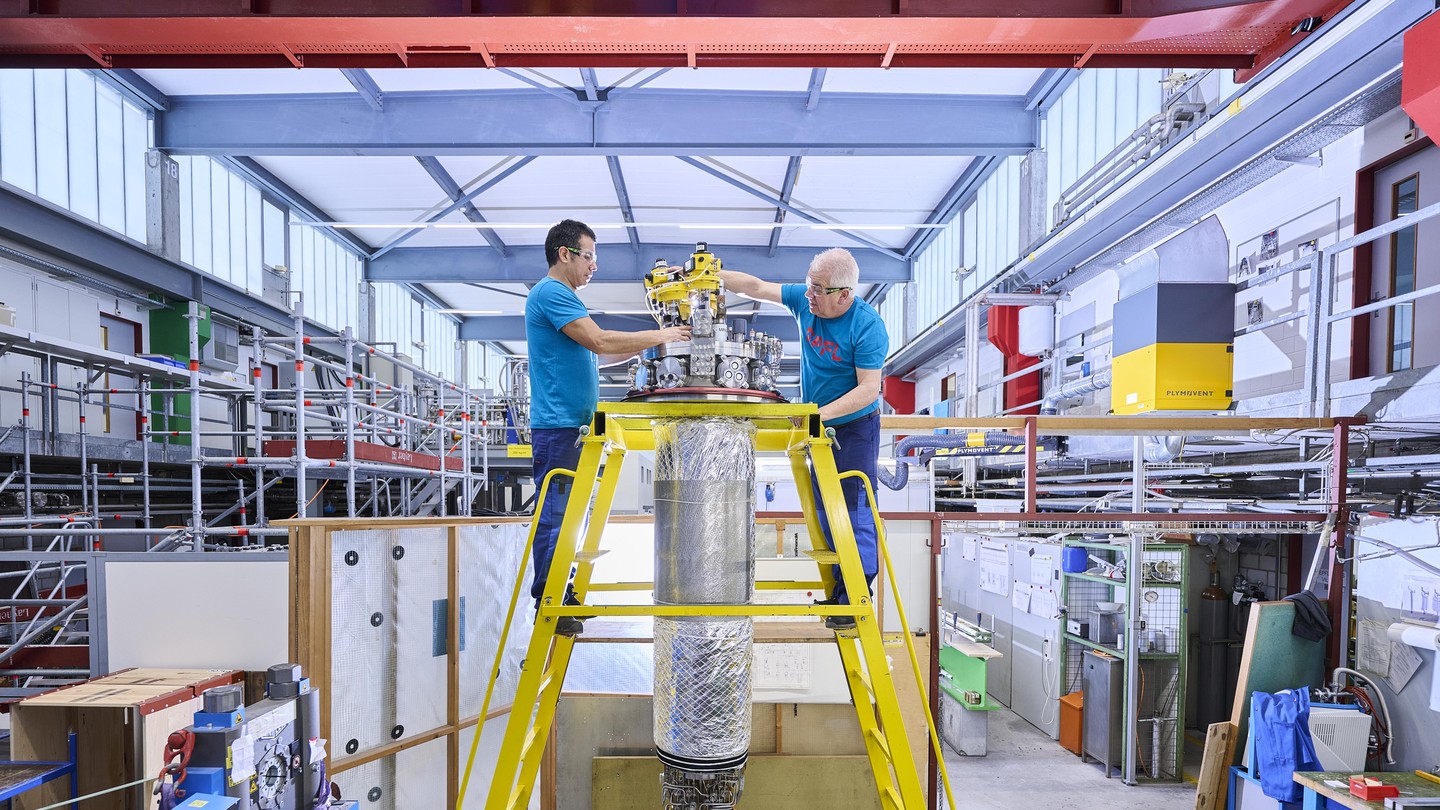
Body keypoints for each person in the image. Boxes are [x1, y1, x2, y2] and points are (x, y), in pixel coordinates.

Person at [525, 219, 691, 635]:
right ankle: (549, 596)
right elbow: (598, 341)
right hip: (559, 425)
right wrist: (661, 336)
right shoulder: (552, 293)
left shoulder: (565, 299)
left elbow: (594, 355)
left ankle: (561, 591)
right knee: (558, 514)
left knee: (572, 514)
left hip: (575, 425)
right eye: (589, 256)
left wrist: (649, 354)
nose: (594, 265)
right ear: (565, 254)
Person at [720, 248, 888, 629]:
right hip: (817, 425)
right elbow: (757, 287)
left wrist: (817, 415)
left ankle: (859, 589)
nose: (808, 293)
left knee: (854, 508)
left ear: (844, 294)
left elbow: (868, 390)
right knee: (824, 508)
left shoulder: (867, 326)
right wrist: (712, 276)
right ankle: (838, 585)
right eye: (808, 284)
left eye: (817, 288)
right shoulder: (806, 301)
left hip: (854, 428)